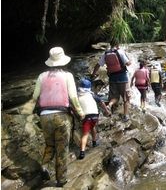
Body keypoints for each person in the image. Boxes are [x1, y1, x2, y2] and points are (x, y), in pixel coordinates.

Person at [31, 47, 85, 187]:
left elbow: (34, 97)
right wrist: (80, 113)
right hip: (61, 116)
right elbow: (73, 97)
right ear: (64, 61)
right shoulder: (67, 76)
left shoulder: (42, 76)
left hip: (44, 116)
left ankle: (44, 165)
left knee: (50, 144)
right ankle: (61, 180)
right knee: (62, 148)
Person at [91, 39, 131, 122]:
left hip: (112, 78)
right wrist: (128, 58)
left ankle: (109, 105)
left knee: (114, 97)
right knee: (126, 98)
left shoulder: (105, 53)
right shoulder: (120, 52)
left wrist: (93, 74)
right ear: (118, 44)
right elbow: (128, 63)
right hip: (122, 78)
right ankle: (125, 115)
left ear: (110, 44)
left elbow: (98, 65)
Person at [77, 78, 111, 160]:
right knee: (93, 127)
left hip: (86, 116)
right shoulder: (92, 95)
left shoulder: (77, 96)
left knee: (85, 134)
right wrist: (106, 110)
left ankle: (82, 152)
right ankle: (94, 142)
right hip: (95, 115)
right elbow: (101, 102)